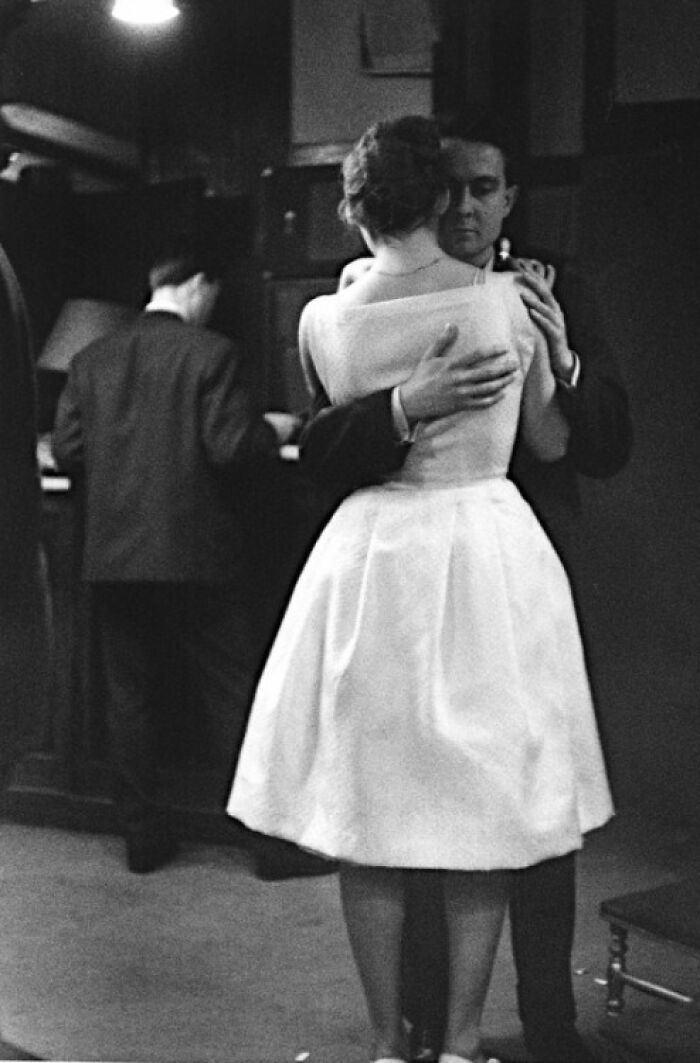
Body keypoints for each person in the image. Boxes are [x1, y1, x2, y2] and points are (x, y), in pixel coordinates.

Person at [228, 115, 613, 1063]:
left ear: (353, 206)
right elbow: (547, 440)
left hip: (378, 555)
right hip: (486, 549)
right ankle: (458, 1040)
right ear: (440, 200)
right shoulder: (504, 304)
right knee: (488, 805)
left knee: (372, 813)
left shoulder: (327, 315)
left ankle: (387, 1046)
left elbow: (327, 410)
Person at [52, 235, 298, 874]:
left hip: (112, 559)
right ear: (200, 284)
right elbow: (229, 447)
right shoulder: (213, 353)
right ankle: (265, 845)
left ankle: (143, 840)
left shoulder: (91, 358)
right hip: (197, 557)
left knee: (129, 697)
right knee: (230, 694)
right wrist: (271, 430)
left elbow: (72, 451)